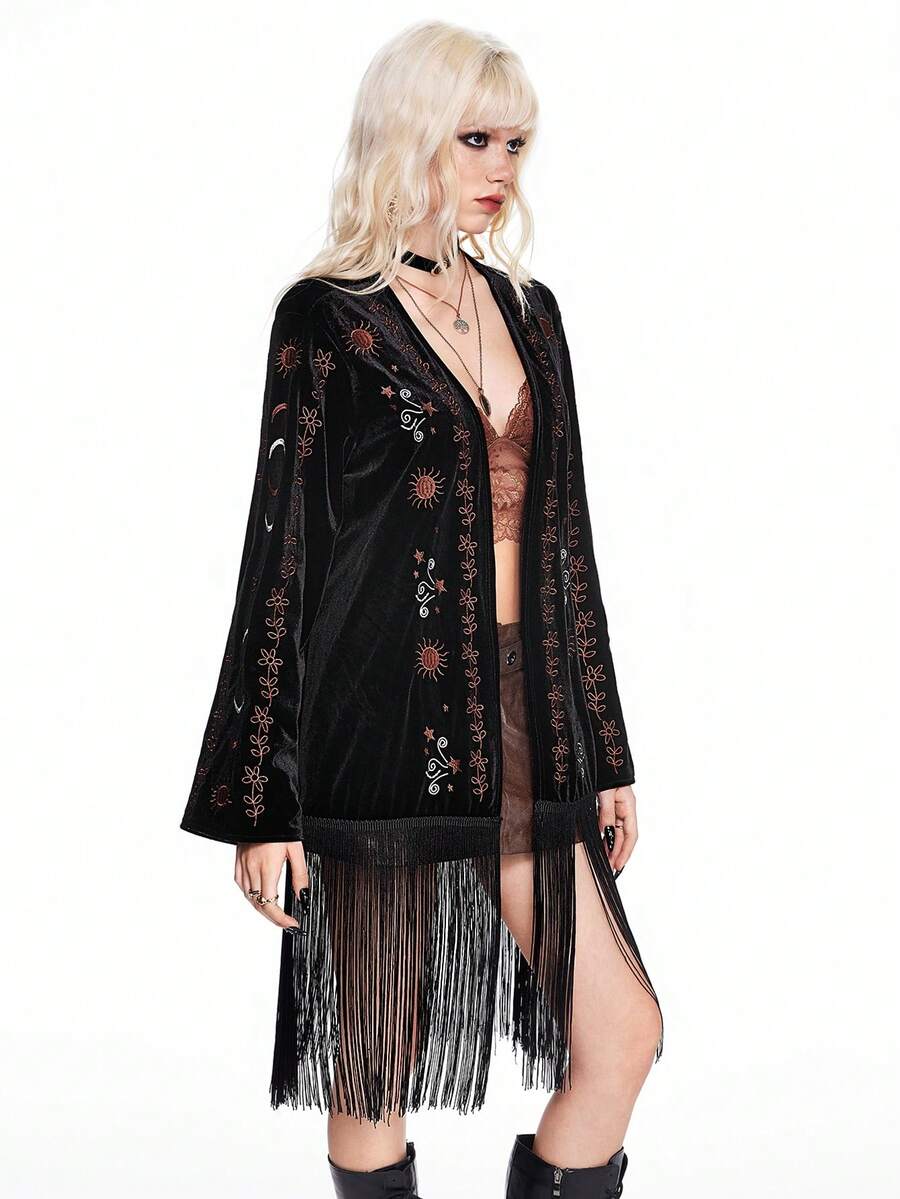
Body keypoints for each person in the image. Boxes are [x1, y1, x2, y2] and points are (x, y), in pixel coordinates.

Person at [180, 19, 664, 1199]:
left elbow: (567, 545)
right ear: (409, 135)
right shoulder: (327, 318)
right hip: (379, 718)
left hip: (526, 713)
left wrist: (603, 747)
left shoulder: (530, 310)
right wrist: (262, 799)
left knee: (623, 1033)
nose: (501, 168)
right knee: (374, 1065)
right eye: (474, 139)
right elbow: (283, 553)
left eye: (516, 143)